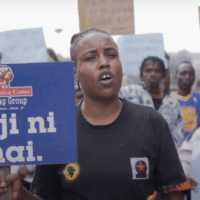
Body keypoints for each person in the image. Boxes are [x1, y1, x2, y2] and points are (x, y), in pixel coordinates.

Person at [0, 28, 190, 200]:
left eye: (111, 54)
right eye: (91, 58)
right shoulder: (57, 128)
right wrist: (20, 195)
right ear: (75, 73)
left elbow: (173, 191)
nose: (104, 63)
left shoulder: (151, 121)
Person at [119, 56, 184, 149]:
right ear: (141, 75)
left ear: (163, 75)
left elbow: (178, 135)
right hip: (132, 153)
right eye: (148, 70)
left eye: (157, 71)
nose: (153, 74)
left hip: (163, 157)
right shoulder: (128, 94)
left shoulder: (173, 104)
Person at [171, 62, 200, 138]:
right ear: (175, 76)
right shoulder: (167, 100)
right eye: (183, 73)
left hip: (196, 145)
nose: (187, 77)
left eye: (191, 74)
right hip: (174, 146)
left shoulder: (198, 98)